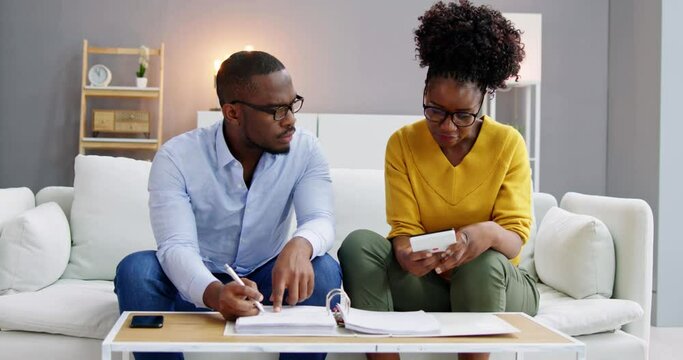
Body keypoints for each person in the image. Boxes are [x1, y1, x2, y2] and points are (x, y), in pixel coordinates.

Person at [337, 2, 538, 360]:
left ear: (484, 100)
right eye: (434, 110)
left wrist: (486, 233)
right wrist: (404, 252)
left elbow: (514, 243)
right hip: (429, 286)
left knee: (482, 263)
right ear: (425, 93)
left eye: (463, 115)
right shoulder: (403, 142)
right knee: (358, 245)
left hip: (496, 288)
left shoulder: (508, 143)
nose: (447, 127)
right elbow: (403, 229)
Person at [115, 50, 341, 360]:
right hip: (196, 281)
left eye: (292, 105)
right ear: (232, 113)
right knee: (136, 270)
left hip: (267, 279)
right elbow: (176, 245)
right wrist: (215, 294)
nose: (290, 120)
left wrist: (300, 244)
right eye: (276, 110)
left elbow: (320, 219)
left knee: (325, 269)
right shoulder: (176, 157)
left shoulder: (306, 149)